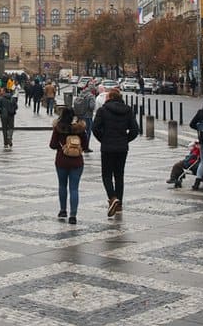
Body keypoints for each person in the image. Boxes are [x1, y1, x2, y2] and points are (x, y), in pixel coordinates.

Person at [92, 88, 140, 217]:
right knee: (119, 175)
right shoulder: (128, 110)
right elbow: (135, 130)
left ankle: (112, 198)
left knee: (106, 174)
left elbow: (95, 128)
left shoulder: (103, 110)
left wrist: (103, 139)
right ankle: (119, 205)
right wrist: (125, 140)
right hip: (122, 148)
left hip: (107, 146)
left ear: (109, 98)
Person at [49, 106, 88, 224]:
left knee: (62, 185)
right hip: (77, 162)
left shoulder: (58, 128)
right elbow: (85, 146)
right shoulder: (80, 129)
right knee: (74, 188)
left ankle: (62, 210)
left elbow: (52, 145)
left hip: (61, 160)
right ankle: (73, 215)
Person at [72, 86, 96, 152]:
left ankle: (78, 145)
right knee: (87, 132)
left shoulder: (81, 94)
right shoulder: (91, 96)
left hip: (80, 116)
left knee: (80, 131)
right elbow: (91, 106)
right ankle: (86, 147)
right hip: (88, 116)